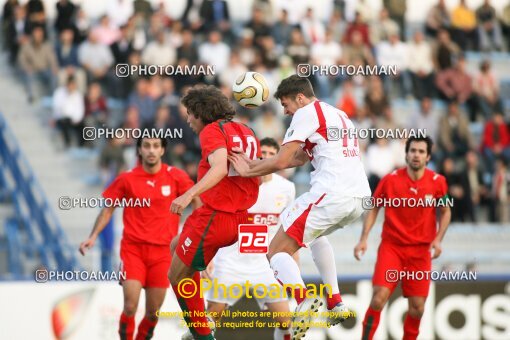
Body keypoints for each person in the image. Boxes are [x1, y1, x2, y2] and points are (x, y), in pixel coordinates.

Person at [229, 75, 371, 340]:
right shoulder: (338, 114)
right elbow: (301, 157)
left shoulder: (306, 113)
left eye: (286, 104)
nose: (285, 111)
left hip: (331, 193)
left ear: (300, 98)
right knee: (315, 236)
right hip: (358, 198)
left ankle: (303, 300)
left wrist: (247, 170)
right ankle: (336, 300)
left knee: (275, 251)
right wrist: (255, 165)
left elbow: (282, 161)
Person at [79, 136, 197, 340]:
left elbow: (197, 198)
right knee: (131, 305)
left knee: (153, 312)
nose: (151, 150)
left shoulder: (175, 176)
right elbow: (108, 210)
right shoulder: (127, 178)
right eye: (146, 146)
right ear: (139, 150)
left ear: (162, 150)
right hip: (133, 250)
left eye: (156, 146)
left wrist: (196, 231)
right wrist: (93, 236)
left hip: (162, 253)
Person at [168, 85, 260, 340]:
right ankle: (200, 327)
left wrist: (188, 195)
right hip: (239, 218)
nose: (187, 119)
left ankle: (202, 334)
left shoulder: (212, 131)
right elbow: (258, 178)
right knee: (176, 246)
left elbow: (219, 168)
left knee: (176, 276)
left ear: (201, 112)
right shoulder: (247, 130)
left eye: (190, 113)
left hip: (216, 217)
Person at [354, 136, 451, 340]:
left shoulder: (438, 182)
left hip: (420, 252)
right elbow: (374, 207)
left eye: (421, 151)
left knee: (417, 308)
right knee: (379, 297)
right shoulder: (390, 180)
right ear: (406, 154)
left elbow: (446, 210)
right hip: (393, 248)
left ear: (428, 157)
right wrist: (364, 238)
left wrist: (438, 238)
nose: (416, 155)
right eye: (413, 150)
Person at [202, 137, 295, 340]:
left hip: (264, 264)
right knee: (211, 317)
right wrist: (207, 258)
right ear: (255, 156)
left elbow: (289, 228)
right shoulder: (239, 184)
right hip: (230, 260)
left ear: (278, 157)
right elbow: (217, 221)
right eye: (263, 153)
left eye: (272, 154)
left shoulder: (287, 188)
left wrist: (292, 262)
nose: (267, 157)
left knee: (286, 321)